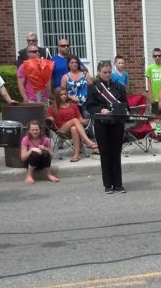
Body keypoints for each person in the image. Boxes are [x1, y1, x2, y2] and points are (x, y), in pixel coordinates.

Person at [85, 60, 129, 194]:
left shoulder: (119, 87)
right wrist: (101, 109)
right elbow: (90, 106)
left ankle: (118, 183)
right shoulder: (94, 87)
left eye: (109, 72)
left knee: (116, 153)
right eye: (104, 72)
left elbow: (125, 104)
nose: (107, 74)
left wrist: (124, 110)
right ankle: (108, 184)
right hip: (102, 124)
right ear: (99, 72)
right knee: (105, 154)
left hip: (116, 124)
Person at [46, 87, 95, 162]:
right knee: (74, 120)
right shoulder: (52, 108)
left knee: (74, 128)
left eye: (65, 94)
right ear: (57, 96)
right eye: (61, 94)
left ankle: (76, 155)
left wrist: (90, 118)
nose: (64, 96)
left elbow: (81, 120)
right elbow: (48, 119)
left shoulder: (73, 106)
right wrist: (49, 119)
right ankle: (87, 141)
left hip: (74, 129)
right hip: (61, 130)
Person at [20, 119, 59, 184]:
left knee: (45, 152)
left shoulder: (45, 139)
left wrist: (46, 149)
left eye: (37, 130)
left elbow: (51, 156)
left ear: (40, 130)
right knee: (35, 153)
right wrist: (31, 150)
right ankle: (29, 175)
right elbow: (23, 158)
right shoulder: (26, 139)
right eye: (32, 130)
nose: (35, 132)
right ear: (29, 130)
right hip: (30, 163)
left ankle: (49, 174)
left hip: (42, 164)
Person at [145, 47, 161, 116]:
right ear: (153, 57)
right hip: (155, 96)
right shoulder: (150, 68)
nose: (157, 57)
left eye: (159, 55)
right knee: (156, 116)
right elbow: (149, 83)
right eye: (155, 56)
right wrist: (150, 96)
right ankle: (158, 127)